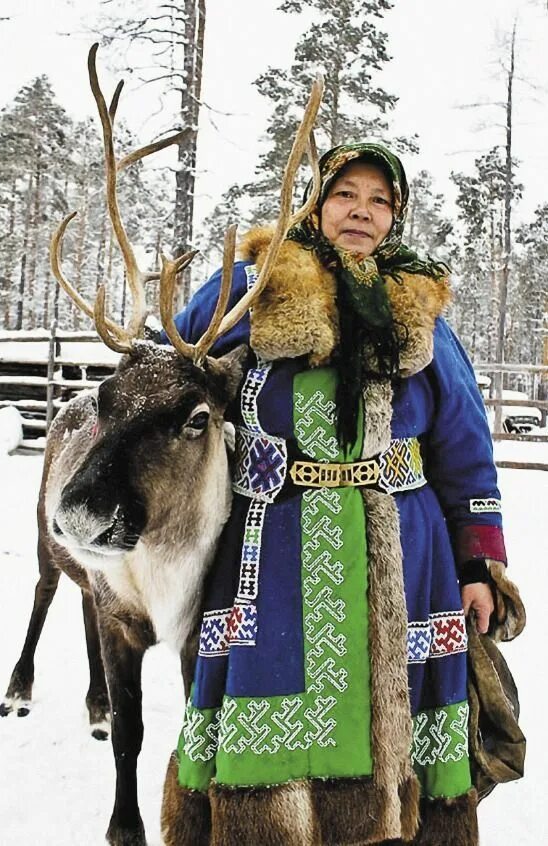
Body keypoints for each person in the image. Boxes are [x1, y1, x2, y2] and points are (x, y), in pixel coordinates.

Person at [160, 143, 520, 846]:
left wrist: (478, 565)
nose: (362, 211)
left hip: (405, 557)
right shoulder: (253, 288)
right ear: (316, 204)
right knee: (271, 710)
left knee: (400, 722)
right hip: (272, 547)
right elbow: (176, 380)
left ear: (395, 216)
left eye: (379, 200)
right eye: (346, 195)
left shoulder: (418, 312)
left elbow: (465, 450)